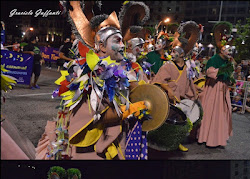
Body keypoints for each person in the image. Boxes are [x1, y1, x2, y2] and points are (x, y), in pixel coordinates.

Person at [36, 2, 150, 160]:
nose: (123, 45)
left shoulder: (120, 68)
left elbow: (135, 90)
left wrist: (153, 92)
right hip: (91, 144)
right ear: (102, 46)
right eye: (117, 41)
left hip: (114, 135)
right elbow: (99, 115)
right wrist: (131, 110)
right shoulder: (89, 72)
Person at [152, 20, 204, 152]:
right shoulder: (168, 65)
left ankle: (177, 142)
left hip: (182, 98)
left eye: (175, 52)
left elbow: (192, 81)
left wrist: (196, 90)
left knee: (181, 122)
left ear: (182, 54)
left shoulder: (188, 67)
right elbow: (158, 80)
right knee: (166, 121)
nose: (172, 54)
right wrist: (168, 88)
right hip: (169, 99)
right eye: (172, 51)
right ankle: (160, 140)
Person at [197, 22, 235, 147]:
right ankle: (206, 137)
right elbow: (209, 72)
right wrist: (221, 70)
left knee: (221, 114)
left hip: (223, 88)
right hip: (213, 88)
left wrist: (229, 77)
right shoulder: (214, 59)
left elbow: (229, 75)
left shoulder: (228, 61)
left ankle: (217, 138)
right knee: (210, 113)